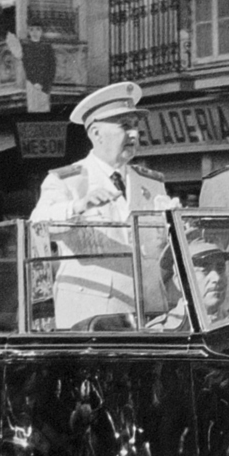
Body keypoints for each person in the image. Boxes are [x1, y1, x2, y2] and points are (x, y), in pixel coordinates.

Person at [33, 81, 174, 327]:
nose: (134, 134)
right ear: (96, 133)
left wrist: (175, 227)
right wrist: (77, 206)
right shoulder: (68, 180)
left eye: (136, 125)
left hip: (148, 312)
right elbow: (36, 226)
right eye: (125, 126)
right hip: (91, 314)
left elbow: (158, 250)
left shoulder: (150, 183)